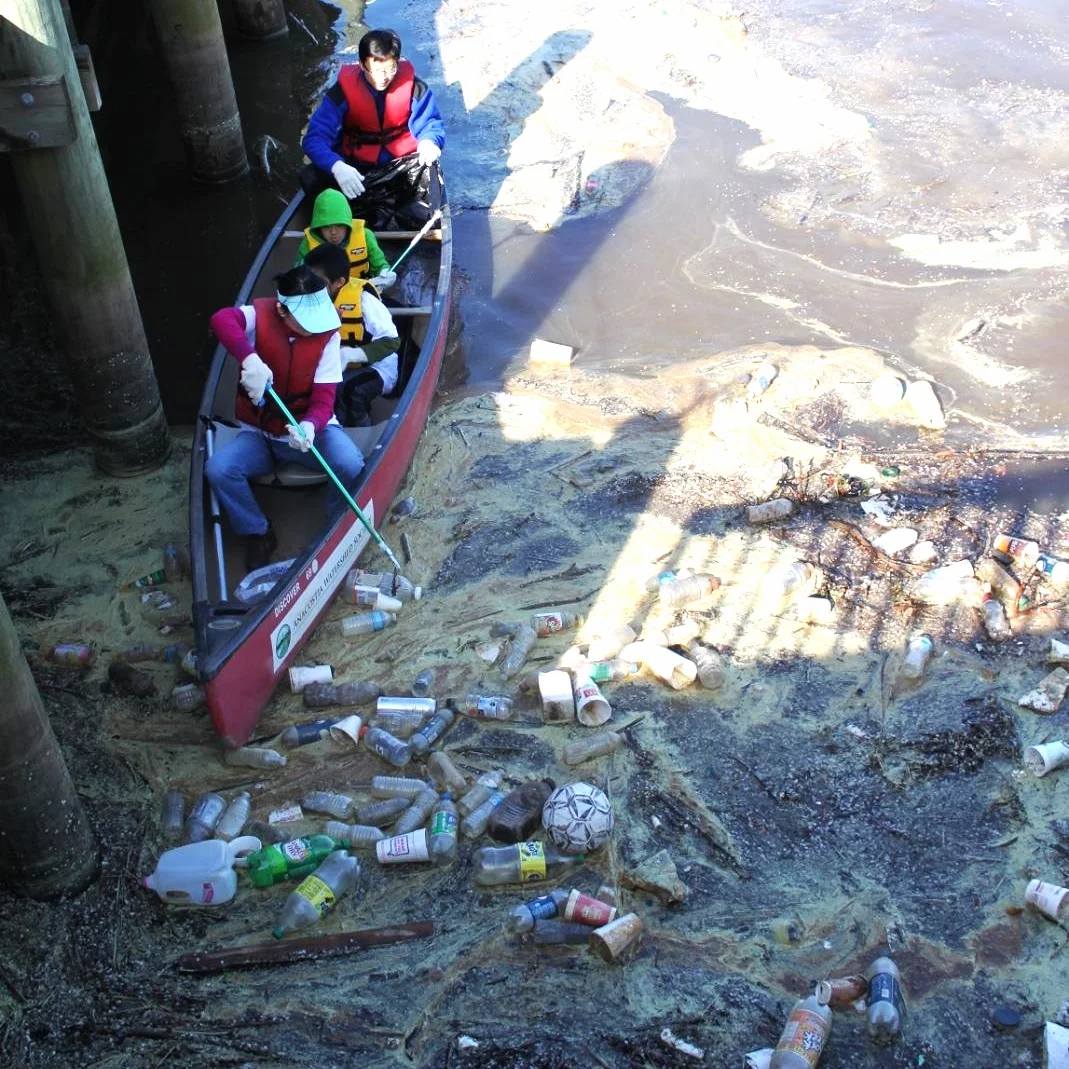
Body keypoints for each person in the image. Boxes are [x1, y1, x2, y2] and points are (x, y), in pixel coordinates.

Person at [206, 266, 365, 570]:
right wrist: (248, 357)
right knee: (219, 470)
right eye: (306, 322)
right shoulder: (259, 315)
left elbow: (323, 398)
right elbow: (221, 319)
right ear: (282, 310)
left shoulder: (327, 337)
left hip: (310, 433)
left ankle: (334, 521)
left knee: (350, 463)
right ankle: (258, 531)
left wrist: (309, 426)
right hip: (260, 434)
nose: (313, 329)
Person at [300, 28, 446, 200]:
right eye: (376, 71)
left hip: (402, 165)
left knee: (432, 174)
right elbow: (314, 138)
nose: (383, 78)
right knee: (310, 177)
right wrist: (336, 166)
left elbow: (430, 125)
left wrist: (429, 141)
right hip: (356, 165)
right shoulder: (342, 93)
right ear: (362, 65)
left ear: (397, 63)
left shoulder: (415, 88)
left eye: (390, 70)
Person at [303, 243, 401, 428]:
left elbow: (392, 342)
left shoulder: (363, 299)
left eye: (319, 282)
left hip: (377, 367)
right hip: (329, 365)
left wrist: (349, 355)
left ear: (339, 282)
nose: (310, 287)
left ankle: (360, 435)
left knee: (349, 391)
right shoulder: (305, 295)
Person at [295, 188, 397, 292]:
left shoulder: (365, 235)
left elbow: (379, 263)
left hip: (360, 293)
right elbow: (299, 276)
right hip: (323, 298)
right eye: (326, 226)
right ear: (318, 227)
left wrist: (384, 272)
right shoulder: (308, 243)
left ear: (347, 224)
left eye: (339, 225)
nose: (333, 232)